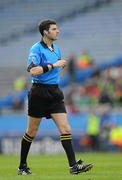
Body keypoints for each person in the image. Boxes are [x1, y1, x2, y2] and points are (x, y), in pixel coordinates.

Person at [17, 19, 93, 175]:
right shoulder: (36, 49)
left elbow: (54, 67)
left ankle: (73, 166)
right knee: (31, 131)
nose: (57, 31)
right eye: (54, 29)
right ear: (45, 32)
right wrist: (53, 65)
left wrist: (59, 64)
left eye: (57, 28)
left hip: (55, 92)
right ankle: (22, 166)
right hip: (39, 93)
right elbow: (33, 71)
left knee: (66, 128)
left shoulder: (56, 49)